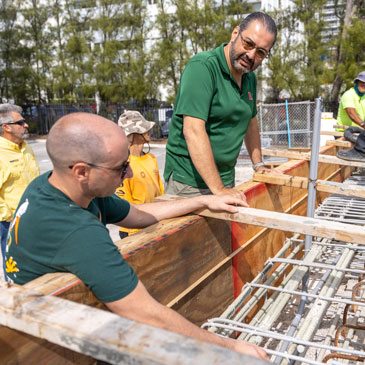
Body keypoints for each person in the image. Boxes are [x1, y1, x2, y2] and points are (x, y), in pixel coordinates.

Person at [5, 113, 267, 360]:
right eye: (120, 168)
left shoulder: (57, 186)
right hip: (44, 346)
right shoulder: (77, 232)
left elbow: (138, 214)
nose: (129, 173)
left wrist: (204, 202)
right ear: (82, 172)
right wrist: (232, 348)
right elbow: (146, 314)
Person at [164, 12, 279, 198]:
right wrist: (219, 190)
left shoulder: (249, 78)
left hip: (224, 180)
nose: (250, 55)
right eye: (248, 43)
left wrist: (259, 166)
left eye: (260, 52)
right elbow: (193, 131)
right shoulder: (203, 67)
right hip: (188, 184)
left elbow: (250, 122)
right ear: (235, 34)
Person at [0, 103, 39, 282]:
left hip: (35, 216)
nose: (26, 125)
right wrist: (8, 217)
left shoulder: (25, 147)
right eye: (20, 122)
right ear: (6, 127)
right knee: (17, 271)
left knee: (37, 266)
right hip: (11, 223)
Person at [115, 110, 164, 238]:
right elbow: (124, 203)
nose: (149, 130)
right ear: (132, 134)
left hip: (155, 222)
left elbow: (160, 193)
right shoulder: (123, 165)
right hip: (134, 230)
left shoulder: (151, 158)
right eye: (143, 128)